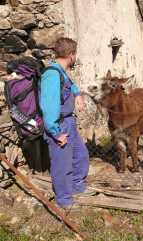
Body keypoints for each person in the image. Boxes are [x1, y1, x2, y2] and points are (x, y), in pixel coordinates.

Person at [39, 37, 91, 208]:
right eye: (75, 55)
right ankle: (64, 200)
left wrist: (77, 95)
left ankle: (77, 187)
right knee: (62, 165)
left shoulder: (60, 72)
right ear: (71, 55)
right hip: (60, 125)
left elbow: (70, 85)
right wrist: (55, 132)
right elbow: (49, 107)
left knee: (80, 156)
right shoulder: (52, 75)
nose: (76, 58)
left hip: (69, 122)